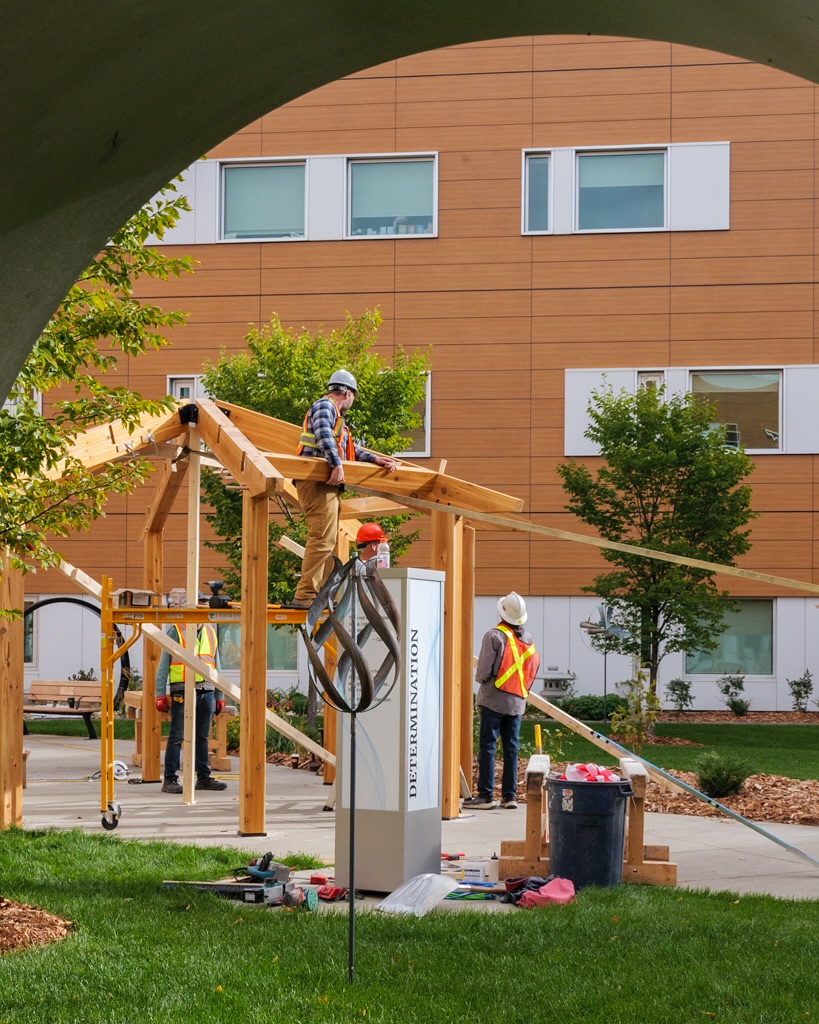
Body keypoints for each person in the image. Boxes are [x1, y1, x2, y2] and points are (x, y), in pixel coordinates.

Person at [290, 369, 396, 607]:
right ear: (347, 393)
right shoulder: (325, 406)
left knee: (327, 540)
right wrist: (336, 466)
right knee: (321, 539)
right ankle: (306, 595)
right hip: (317, 483)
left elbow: (350, 449)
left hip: (324, 486)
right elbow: (323, 435)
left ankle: (320, 594)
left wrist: (374, 459)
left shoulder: (338, 421)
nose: (351, 404)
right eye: (353, 399)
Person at [464, 592, 540, 810]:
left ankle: (486, 796)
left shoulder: (494, 636)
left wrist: (480, 680)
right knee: (511, 748)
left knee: (488, 746)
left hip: (494, 700)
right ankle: (510, 796)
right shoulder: (528, 640)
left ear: (501, 612)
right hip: (517, 702)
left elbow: (484, 671)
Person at [155, 621, 227, 793]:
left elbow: (216, 665)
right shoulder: (177, 629)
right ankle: (169, 779)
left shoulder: (210, 631)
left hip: (207, 689)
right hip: (182, 688)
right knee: (177, 736)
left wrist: (219, 694)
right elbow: (164, 662)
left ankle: (203, 777)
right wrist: (159, 693)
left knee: (202, 737)